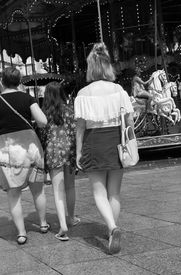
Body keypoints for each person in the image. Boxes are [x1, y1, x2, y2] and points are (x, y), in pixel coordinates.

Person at [74, 42, 134, 254]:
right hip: (116, 141)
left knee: (99, 193)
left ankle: (113, 227)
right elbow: (129, 120)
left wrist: (79, 152)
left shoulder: (83, 93)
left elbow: (80, 127)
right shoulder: (118, 90)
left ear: (90, 67)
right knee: (114, 193)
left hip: (93, 142)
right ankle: (111, 232)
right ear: (108, 66)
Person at [0, 67, 49, 245]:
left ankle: (21, 233)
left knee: (14, 194)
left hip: (7, 149)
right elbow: (43, 121)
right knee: (38, 189)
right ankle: (43, 224)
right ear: (19, 81)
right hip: (31, 145)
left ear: (2, 81)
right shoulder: (27, 98)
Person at [41, 82, 80, 241]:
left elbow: (43, 135)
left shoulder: (45, 114)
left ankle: (62, 224)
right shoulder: (70, 111)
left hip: (52, 151)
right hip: (69, 150)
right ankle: (71, 217)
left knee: (57, 191)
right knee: (70, 187)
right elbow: (75, 132)